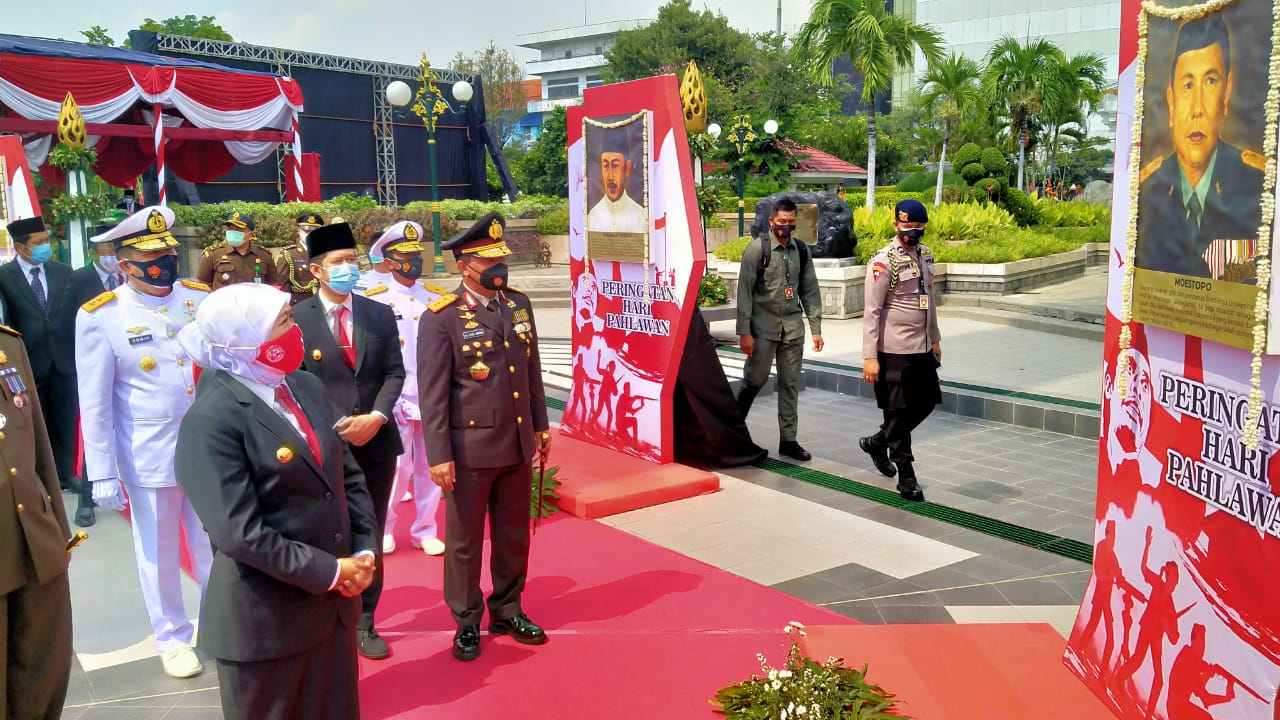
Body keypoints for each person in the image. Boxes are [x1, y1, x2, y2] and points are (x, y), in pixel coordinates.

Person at [175, 284, 377, 720]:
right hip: (265, 626)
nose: (297, 329)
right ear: (245, 339)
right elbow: (238, 532)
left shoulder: (304, 385)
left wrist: (362, 551)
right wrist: (330, 571)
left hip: (331, 613)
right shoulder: (211, 420)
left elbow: (347, 477)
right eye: (284, 320)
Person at [75, 205, 215, 678]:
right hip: (150, 451)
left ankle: (221, 621)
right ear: (123, 264)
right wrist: (102, 474)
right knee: (158, 550)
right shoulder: (102, 317)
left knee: (214, 538)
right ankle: (172, 637)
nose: (164, 265)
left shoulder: (197, 299)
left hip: (210, 446)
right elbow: (93, 403)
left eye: (168, 254)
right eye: (151, 257)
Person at [418, 212, 552, 661]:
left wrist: (540, 423)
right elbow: (433, 394)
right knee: (465, 541)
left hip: (515, 442)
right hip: (470, 449)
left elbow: (530, 371)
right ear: (464, 266)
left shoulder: (517, 304)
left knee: (514, 535)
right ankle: (466, 619)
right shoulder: (441, 317)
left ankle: (508, 608)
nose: (499, 268)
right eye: (487, 261)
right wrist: (440, 455)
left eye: (501, 259)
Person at [293, 222, 405, 660]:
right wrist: (338, 423)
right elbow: (294, 380)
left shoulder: (377, 313)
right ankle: (322, 615)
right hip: (325, 445)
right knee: (323, 528)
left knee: (369, 530)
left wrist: (376, 416)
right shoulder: (296, 317)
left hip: (377, 441)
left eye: (351, 261)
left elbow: (395, 372)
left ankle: (365, 619)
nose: (348, 269)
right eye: (338, 263)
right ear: (317, 271)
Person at [1136, 13, 1265, 279]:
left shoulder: (1257, 186)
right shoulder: (1148, 190)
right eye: (1187, 85)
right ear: (1170, 104)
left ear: (1226, 94)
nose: (1197, 109)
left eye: (1210, 82)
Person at [357, 221, 447, 557]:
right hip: (394, 396)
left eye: (416, 254)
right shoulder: (372, 298)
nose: (413, 261)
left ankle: (426, 529)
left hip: (432, 395)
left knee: (430, 466)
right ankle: (386, 526)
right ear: (390, 260)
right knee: (397, 468)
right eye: (405, 256)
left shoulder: (435, 298)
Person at [0, 323, 73, 720]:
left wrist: (58, 530)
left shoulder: (7, 344)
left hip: (33, 539)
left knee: (44, 668)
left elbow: (38, 446)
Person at [859, 199, 941, 502]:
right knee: (896, 412)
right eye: (907, 227)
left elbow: (930, 302)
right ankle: (906, 476)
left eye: (919, 227)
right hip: (892, 349)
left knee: (928, 401)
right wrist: (870, 356)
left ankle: (878, 442)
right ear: (896, 224)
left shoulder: (926, 256)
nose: (913, 232)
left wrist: (935, 338)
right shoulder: (884, 261)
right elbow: (872, 311)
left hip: (920, 347)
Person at [734, 198, 824, 462]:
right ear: (772, 221)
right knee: (755, 380)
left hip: (792, 329)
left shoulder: (801, 251)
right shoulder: (756, 251)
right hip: (762, 329)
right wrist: (744, 332)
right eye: (781, 222)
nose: (786, 226)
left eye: (791, 222)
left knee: (790, 384)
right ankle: (734, 431)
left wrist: (816, 327)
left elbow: (810, 290)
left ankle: (789, 440)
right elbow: (744, 294)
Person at [0, 217, 78, 496]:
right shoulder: (4, 277)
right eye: (39, 243)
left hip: (63, 359)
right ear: (21, 249)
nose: (46, 246)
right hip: (28, 362)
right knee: (35, 421)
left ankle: (67, 473)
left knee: (65, 417)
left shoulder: (62, 271)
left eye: (46, 240)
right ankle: (42, 477)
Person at [65, 229, 127, 528]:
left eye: (116, 249)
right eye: (106, 250)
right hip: (98, 368)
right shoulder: (78, 279)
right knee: (98, 428)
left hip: (133, 363)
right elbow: (66, 323)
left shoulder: (131, 274)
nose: (113, 256)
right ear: (95, 252)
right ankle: (87, 500)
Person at [196, 211, 283, 290]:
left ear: (251, 234)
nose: (233, 232)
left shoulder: (263, 255)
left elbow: (273, 286)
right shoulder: (213, 254)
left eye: (238, 229)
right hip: (225, 305)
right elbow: (202, 285)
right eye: (230, 229)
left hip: (253, 305)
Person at [586, 132, 647, 234]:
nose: (610, 177)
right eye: (606, 166)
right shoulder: (593, 216)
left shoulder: (640, 216)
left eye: (615, 166)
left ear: (627, 168)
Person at [278, 213, 323, 305]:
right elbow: (283, 284)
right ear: (299, 231)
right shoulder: (289, 253)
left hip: (323, 302)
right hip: (299, 303)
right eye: (306, 231)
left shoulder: (326, 253)